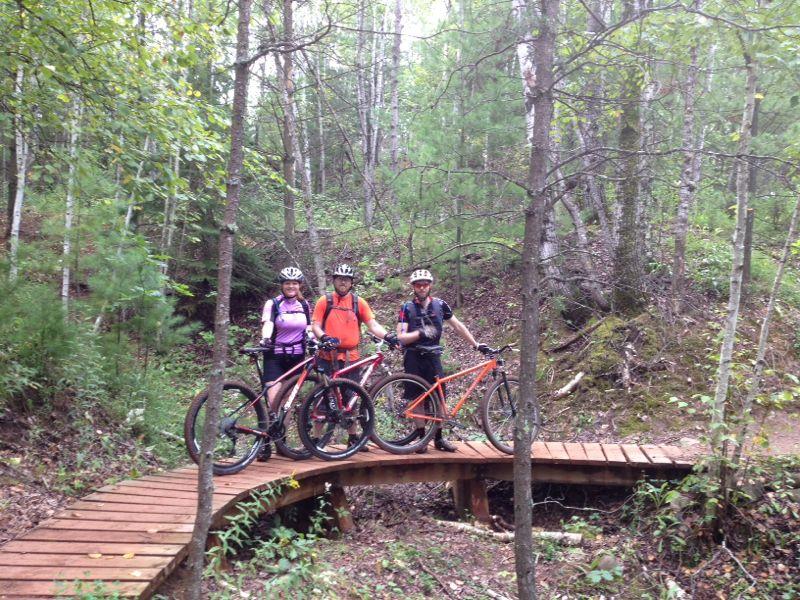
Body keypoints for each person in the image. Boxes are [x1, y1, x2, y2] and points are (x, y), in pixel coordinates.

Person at [396, 269, 488, 452]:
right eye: (418, 285)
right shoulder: (407, 308)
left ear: (430, 285)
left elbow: (458, 326)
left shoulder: (440, 305)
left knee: (439, 398)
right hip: (413, 356)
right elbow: (401, 337)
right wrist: (420, 333)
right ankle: (422, 441)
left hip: (433, 356)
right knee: (418, 400)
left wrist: (475, 345)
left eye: (425, 284)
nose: (422, 288)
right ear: (413, 287)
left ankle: (439, 440)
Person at [311, 263, 397, 449]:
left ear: (351, 283)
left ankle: (353, 437)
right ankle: (316, 439)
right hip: (327, 357)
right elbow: (316, 325)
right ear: (334, 280)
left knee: (351, 397)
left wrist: (388, 335)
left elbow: (372, 325)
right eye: (340, 279)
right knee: (323, 398)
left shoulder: (359, 302)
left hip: (351, 358)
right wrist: (324, 337)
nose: (343, 282)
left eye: (347, 280)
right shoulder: (324, 301)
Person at [259, 266, 311, 413]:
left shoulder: (303, 305)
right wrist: (266, 338)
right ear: (282, 285)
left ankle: (282, 436)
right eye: (287, 283)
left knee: (288, 401)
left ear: (299, 285)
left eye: (294, 283)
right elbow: (268, 323)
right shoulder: (273, 304)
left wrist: (313, 340)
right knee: (274, 402)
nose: (291, 286)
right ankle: (271, 434)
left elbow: (308, 327)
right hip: (275, 356)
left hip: (297, 357)